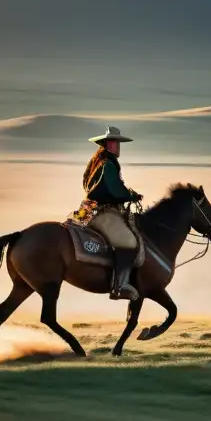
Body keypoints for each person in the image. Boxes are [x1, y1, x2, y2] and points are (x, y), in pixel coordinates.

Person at [73, 126, 144, 301]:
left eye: (118, 143)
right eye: (115, 142)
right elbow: (114, 188)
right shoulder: (108, 164)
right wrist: (131, 196)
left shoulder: (97, 162)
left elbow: (89, 186)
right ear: (107, 144)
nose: (118, 146)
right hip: (102, 211)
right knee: (129, 242)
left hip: (87, 210)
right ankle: (119, 286)